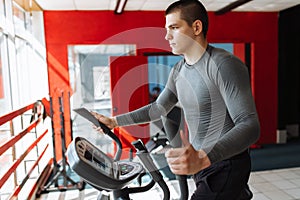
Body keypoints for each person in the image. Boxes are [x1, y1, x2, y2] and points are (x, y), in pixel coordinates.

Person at [92, 0, 260, 199]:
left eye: (174, 27)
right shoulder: (179, 70)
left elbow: (249, 125)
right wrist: (114, 122)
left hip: (225, 163)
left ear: (196, 27)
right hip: (202, 162)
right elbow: (158, 108)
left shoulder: (223, 65)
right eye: (166, 29)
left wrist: (205, 157)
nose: (167, 36)